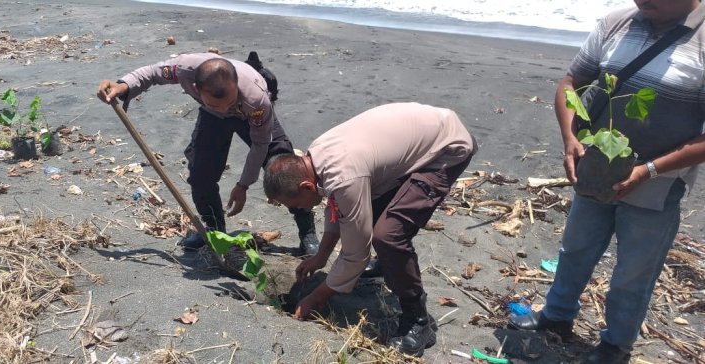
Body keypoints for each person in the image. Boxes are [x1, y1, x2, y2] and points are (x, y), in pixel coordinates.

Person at [508, 1, 705, 363]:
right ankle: (557, 316)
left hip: (659, 182)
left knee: (634, 270)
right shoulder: (617, 21)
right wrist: (570, 138)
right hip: (596, 167)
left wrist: (648, 170)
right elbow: (571, 83)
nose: (644, 2)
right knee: (575, 249)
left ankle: (616, 345)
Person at [263, 102, 477, 356]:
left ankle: (417, 319)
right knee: (371, 217)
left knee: (388, 235)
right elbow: (337, 204)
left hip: (446, 148)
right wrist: (321, 256)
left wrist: (316, 298)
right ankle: (389, 265)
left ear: (307, 187)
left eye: (296, 205)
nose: (299, 210)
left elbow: (356, 255)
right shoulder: (315, 157)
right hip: (422, 137)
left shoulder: (344, 175)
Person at [97, 52, 320, 255]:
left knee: (284, 168)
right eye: (217, 103)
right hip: (211, 118)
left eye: (229, 103)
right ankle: (214, 230)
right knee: (200, 172)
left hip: (248, 115)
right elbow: (152, 72)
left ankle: (307, 231)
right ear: (196, 87)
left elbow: (260, 145)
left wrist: (243, 185)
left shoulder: (257, 99)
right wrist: (123, 86)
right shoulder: (183, 69)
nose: (225, 109)